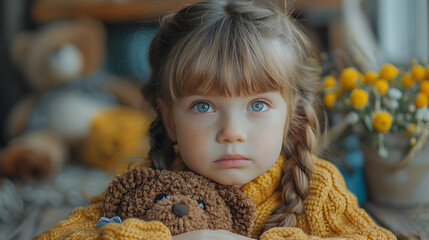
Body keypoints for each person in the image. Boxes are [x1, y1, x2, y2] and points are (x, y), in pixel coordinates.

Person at [34, 0, 396, 239]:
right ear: (169, 118)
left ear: (293, 115)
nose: (232, 133)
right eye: (204, 106)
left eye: (257, 105)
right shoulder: (143, 188)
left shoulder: (317, 187)